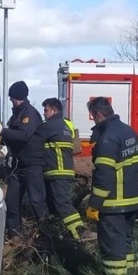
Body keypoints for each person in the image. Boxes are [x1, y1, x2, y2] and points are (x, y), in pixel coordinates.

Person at [86, 97, 138, 275]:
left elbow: (104, 176)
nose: (93, 120)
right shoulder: (129, 131)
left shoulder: (107, 138)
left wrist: (94, 204)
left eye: (93, 116)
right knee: (127, 245)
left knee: (113, 248)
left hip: (114, 204)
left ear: (99, 115)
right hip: (132, 200)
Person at [0, 80, 48, 239]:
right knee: (12, 202)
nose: (10, 100)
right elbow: (13, 138)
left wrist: (2, 130)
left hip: (32, 164)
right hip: (17, 165)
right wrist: (0, 139)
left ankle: (47, 234)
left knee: (36, 201)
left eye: (11, 97)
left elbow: (24, 135)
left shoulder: (30, 114)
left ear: (17, 97)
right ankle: (15, 235)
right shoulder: (17, 114)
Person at [31, 98, 85, 240]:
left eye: (46, 110)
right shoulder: (65, 125)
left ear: (53, 110)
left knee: (62, 204)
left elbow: (33, 140)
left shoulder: (50, 125)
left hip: (57, 171)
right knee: (55, 205)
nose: (44, 114)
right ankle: (59, 233)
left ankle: (81, 231)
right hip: (62, 171)